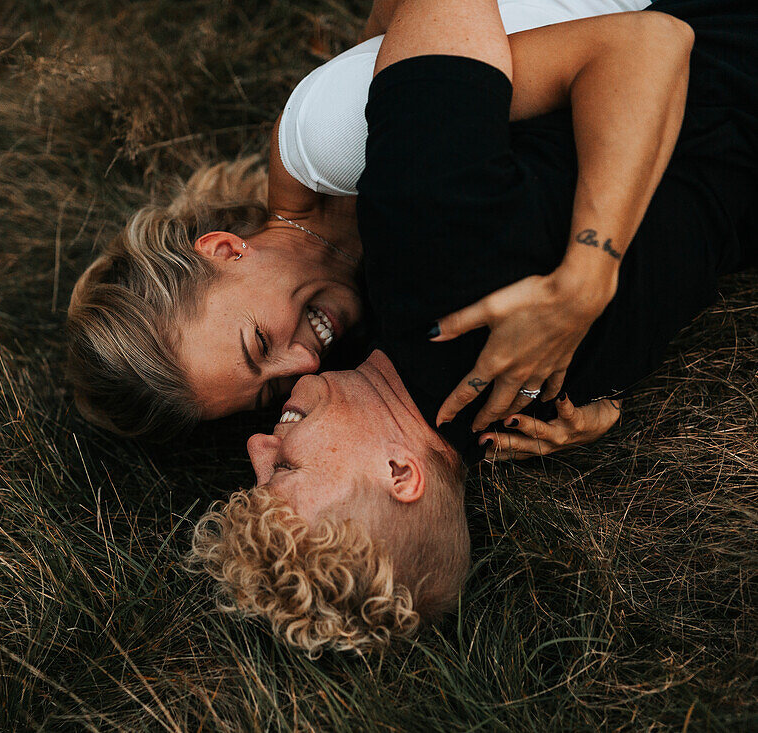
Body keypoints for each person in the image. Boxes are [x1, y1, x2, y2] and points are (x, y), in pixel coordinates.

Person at [189, 0, 758, 655]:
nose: (257, 447)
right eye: (282, 469)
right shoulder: (420, 234)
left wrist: (604, 411)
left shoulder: (538, 416)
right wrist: (590, 263)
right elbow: (655, 42)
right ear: (401, 473)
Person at [66, 0, 654, 441]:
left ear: (224, 249)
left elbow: (636, 50)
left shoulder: (336, 140)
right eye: (269, 391)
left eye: (260, 343)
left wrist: (588, 273)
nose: (303, 364)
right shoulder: (372, 292)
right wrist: (579, 415)